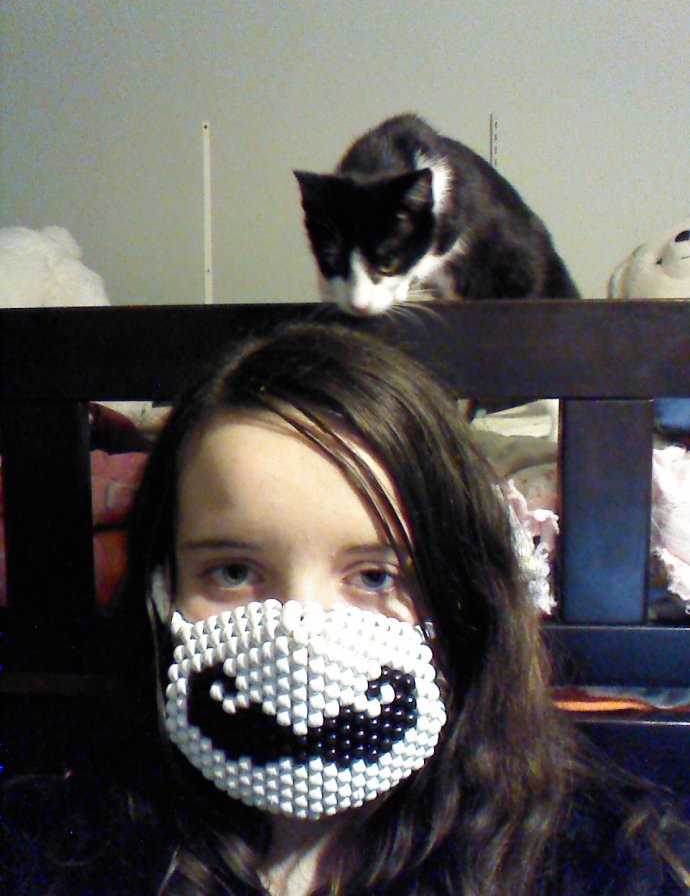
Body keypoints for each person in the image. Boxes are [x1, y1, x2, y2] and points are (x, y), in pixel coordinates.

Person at [2, 320, 689, 895]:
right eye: (234, 571)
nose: (301, 635)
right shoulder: (61, 852)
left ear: (460, 597)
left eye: (373, 575)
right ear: (161, 589)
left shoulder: (598, 862)